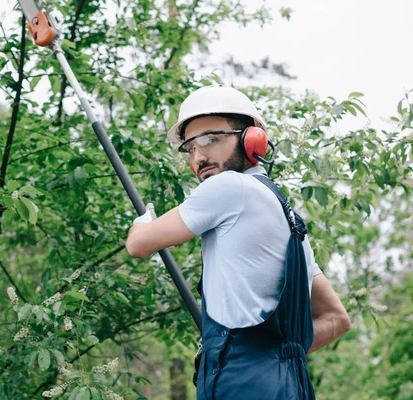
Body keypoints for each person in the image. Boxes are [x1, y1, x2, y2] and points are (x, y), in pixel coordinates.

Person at [125, 86, 351, 399]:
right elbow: (336, 319)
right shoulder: (290, 221)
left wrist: (142, 222)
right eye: (190, 148)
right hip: (289, 385)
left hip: (239, 385)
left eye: (209, 139)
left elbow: (139, 245)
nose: (199, 156)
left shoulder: (230, 186)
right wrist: (271, 356)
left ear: (250, 139)